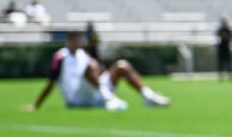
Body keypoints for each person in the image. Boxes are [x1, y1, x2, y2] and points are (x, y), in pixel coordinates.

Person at [22, 29, 170, 111]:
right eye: (74, 38)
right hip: (76, 97)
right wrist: (37, 105)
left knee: (122, 65)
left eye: (79, 37)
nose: (78, 40)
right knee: (90, 66)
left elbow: (97, 71)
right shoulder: (61, 56)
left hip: (95, 92)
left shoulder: (84, 55)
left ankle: (149, 97)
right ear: (69, 40)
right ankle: (109, 99)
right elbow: (51, 82)